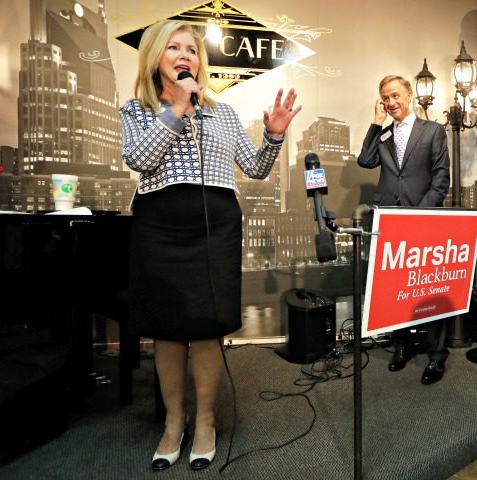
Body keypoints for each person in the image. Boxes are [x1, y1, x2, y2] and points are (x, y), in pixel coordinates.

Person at [119, 20, 300, 471]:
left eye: (192, 50)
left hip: (215, 227)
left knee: (204, 329)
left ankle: (204, 422)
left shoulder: (222, 113)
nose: (185, 56)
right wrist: (176, 108)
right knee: (167, 330)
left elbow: (255, 168)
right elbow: (140, 158)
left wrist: (274, 135)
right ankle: (172, 424)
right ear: (155, 57)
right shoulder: (137, 110)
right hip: (159, 228)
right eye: (174, 48)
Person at [357, 74, 450, 385]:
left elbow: (441, 178)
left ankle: (437, 356)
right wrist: (375, 121)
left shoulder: (434, 131)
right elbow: (365, 160)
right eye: (385, 97)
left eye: (395, 95)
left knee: (430, 287)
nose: (391, 101)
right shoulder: (383, 136)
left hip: (423, 221)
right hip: (390, 223)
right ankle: (402, 346)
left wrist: (418, 215)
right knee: (397, 287)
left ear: (409, 95)